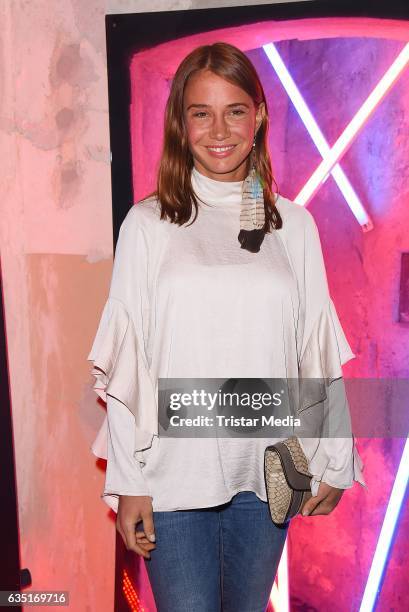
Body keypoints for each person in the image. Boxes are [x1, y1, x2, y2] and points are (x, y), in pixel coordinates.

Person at [87, 42, 366, 611]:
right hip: (172, 478)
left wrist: (337, 456)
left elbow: (315, 351)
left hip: (269, 471)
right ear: (180, 122)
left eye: (235, 110)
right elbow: (127, 362)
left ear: (258, 116)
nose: (219, 129)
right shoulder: (148, 224)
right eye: (200, 112)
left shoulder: (294, 226)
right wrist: (129, 480)